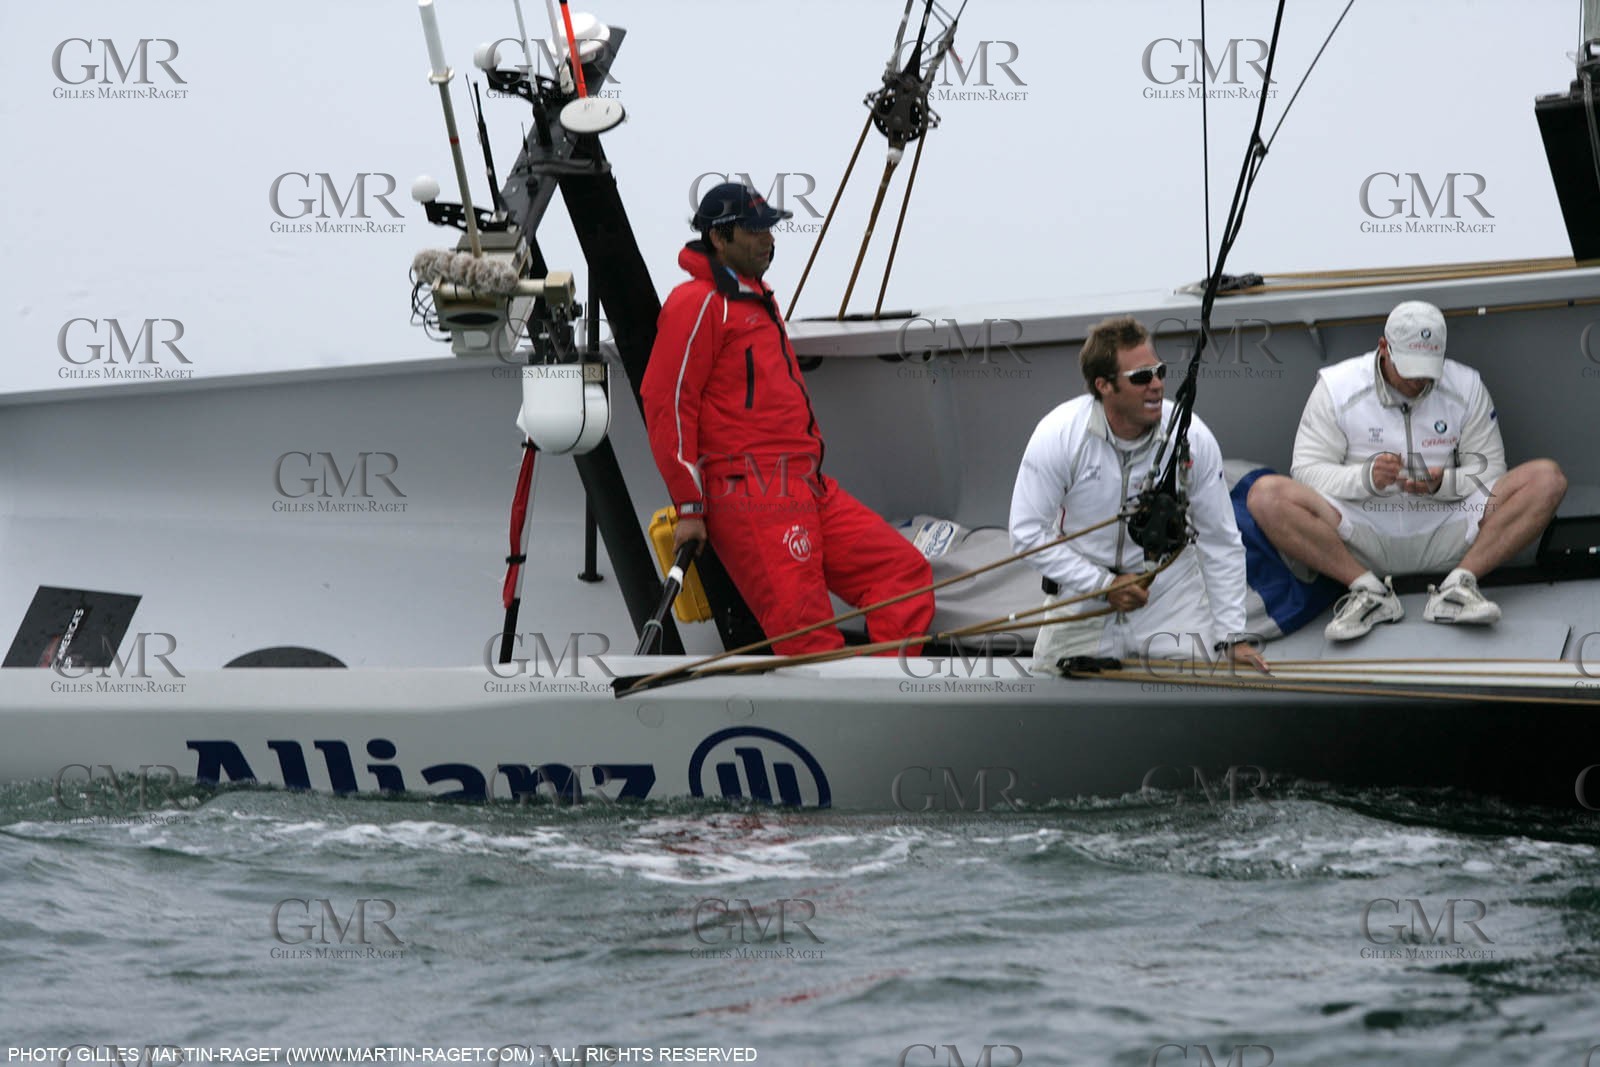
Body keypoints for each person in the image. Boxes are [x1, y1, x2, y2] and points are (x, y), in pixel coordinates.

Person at [640, 181, 935, 655]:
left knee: (901, 574)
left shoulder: (755, 297)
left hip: (808, 486)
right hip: (753, 495)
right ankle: (843, 721)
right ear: (719, 238)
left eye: (770, 228)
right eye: (754, 230)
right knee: (808, 636)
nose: (768, 239)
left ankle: (884, 702)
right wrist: (690, 508)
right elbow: (667, 403)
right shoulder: (697, 302)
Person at [1246, 300, 1567, 641]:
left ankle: (1459, 586)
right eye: (1410, 368)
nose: (1419, 380)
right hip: (1360, 531)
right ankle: (1367, 590)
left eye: (1429, 368)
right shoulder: (1336, 388)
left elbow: (1491, 470)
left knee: (1547, 479)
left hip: (1450, 526)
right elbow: (1306, 471)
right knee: (1266, 495)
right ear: (1384, 348)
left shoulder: (1467, 385)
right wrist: (1365, 478)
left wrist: (1443, 483)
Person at [1009, 315, 1267, 673]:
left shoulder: (1194, 438)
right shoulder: (1059, 436)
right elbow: (1027, 534)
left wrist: (1232, 636)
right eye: (1141, 377)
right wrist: (1103, 585)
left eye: (1159, 372)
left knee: (1193, 696)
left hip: (1168, 591)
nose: (1158, 385)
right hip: (1083, 593)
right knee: (1054, 695)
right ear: (1104, 385)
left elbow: (1219, 539)